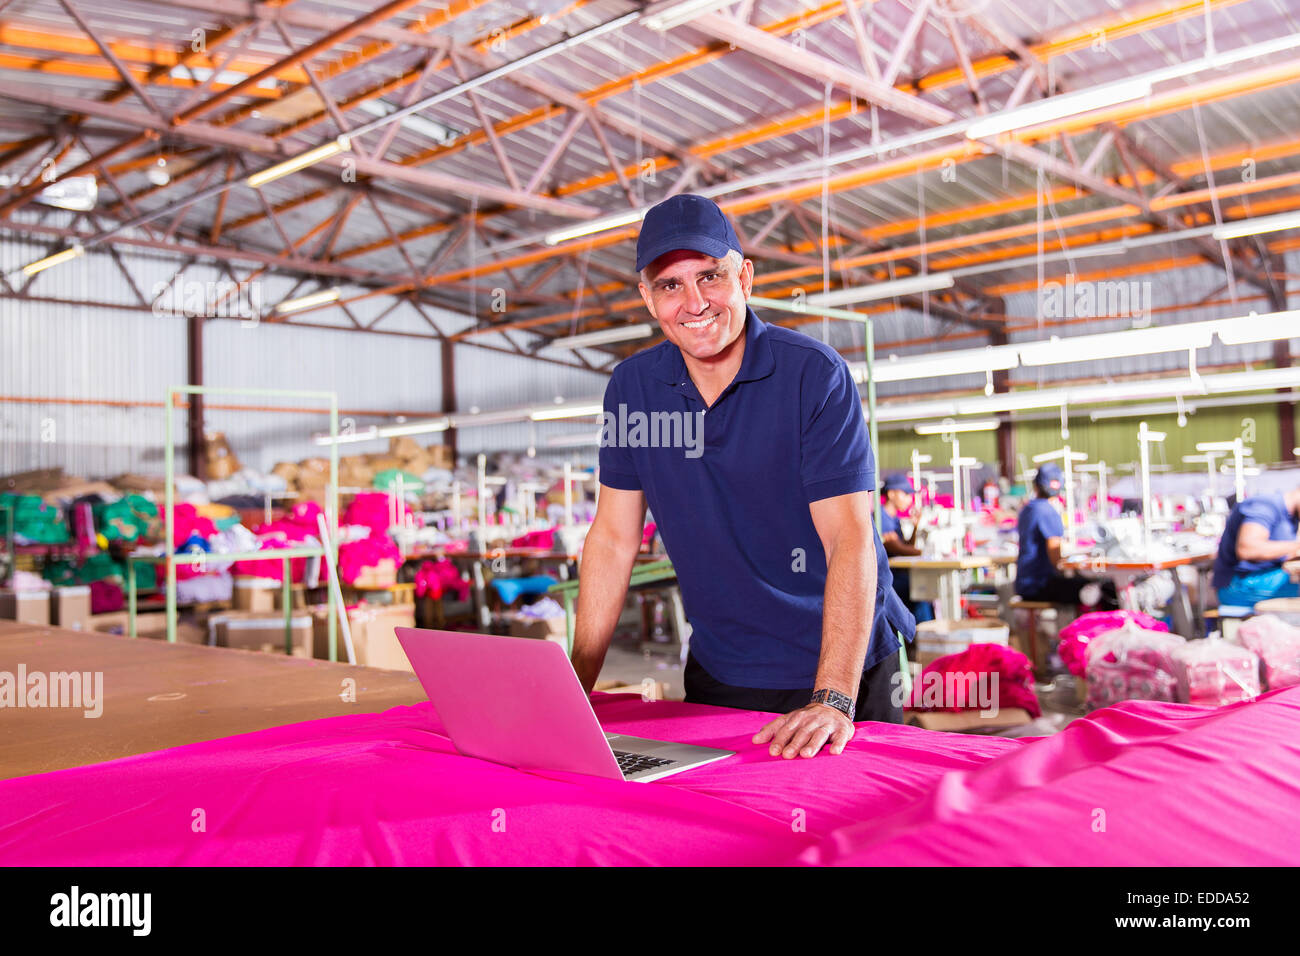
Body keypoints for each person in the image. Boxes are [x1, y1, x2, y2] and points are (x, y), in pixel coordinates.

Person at [571, 193, 915, 759]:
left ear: (745, 276)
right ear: (646, 297)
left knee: (856, 842)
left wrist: (833, 697)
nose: (695, 302)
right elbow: (611, 538)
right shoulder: (633, 389)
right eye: (669, 285)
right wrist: (577, 682)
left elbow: (849, 538)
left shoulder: (812, 375)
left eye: (710, 276)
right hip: (722, 668)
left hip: (839, 667)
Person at [1015, 463, 1117, 609]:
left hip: (1025, 583)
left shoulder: (1028, 509)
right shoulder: (1049, 512)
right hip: (1038, 585)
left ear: (1036, 485)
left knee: (1087, 586)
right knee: (1107, 591)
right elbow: (1056, 559)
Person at [1212, 487, 1300, 607]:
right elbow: (1247, 549)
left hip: (1263, 578)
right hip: (1237, 585)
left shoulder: (1291, 516)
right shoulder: (1264, 505)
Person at [878, 473, 933, 623]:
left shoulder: (893, 518)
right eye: (906, 494)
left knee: (925, 592)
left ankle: (924, 637)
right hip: (888, 579)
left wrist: (915, 527)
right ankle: (924, 638)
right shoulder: (880, 517)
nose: (909, 498)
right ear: (891, 494)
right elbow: (898, 549)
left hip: (897, 575)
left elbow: (906, 546)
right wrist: (929, 552)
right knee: (921, 594)